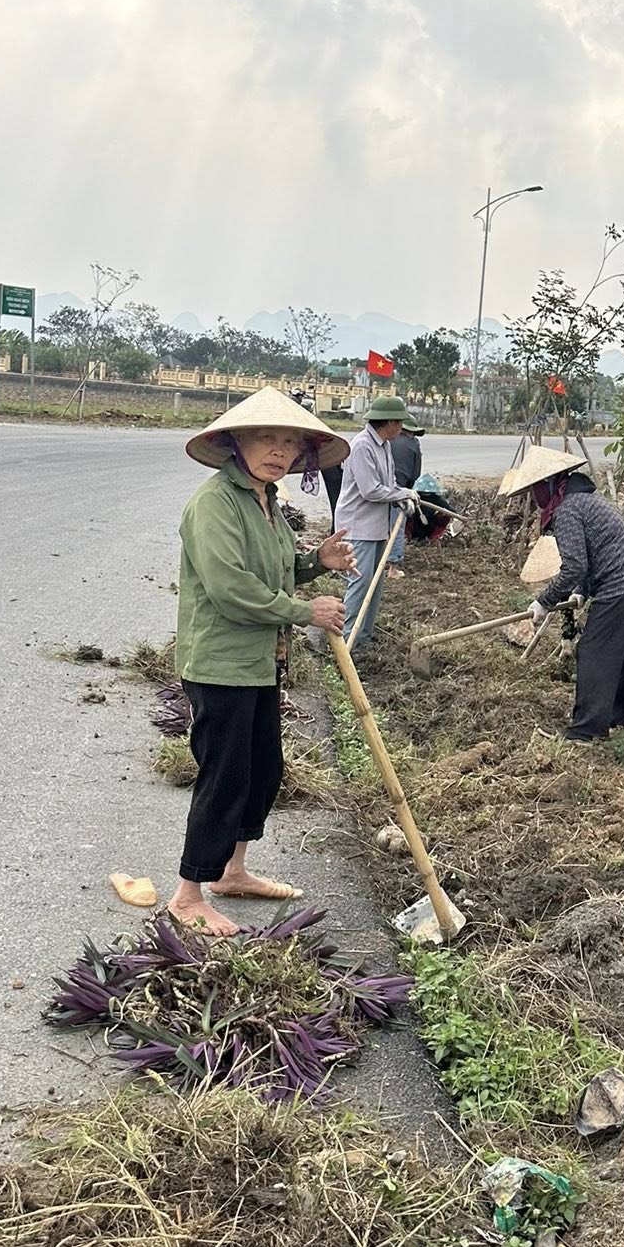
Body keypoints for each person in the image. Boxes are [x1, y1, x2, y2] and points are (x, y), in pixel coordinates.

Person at [172, 388, 353, 934]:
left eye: (290, 443)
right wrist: (305, 611)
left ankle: (233, 871)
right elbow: (231, 589)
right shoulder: (215, 503)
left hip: (259, 660)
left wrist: (313, 563)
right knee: (224, 775)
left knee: (263, 770)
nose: (278, 451)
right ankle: (187, 894)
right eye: (266, 438)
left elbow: (272, 573)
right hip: (220, 662)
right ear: (236, 442)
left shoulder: (266, 502)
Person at [499, 446, 624, 742]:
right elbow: (592, 552)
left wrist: (544, 601)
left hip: (620, 581)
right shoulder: (584, 498)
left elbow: (574, 566)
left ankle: (587, 729)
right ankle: (622, 716)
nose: (534, 497)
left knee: (594, 650)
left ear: (548, 485)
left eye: (535, 489)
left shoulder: (568, 509)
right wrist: (582, 591)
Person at [334, 392, 420, 653]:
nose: (402, 428)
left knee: (375, 583)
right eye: (400, 423)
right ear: (390, 423)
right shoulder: (362, 445)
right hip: (358, 525)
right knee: (360, 583)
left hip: (377, 526)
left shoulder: (383, 445)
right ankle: (347, 641)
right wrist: (402, 493)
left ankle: (365, 637)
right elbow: (370, 490)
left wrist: (399, 496)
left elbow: (388, 483)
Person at [387, 418, 426, 577]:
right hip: (399, 491)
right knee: (396, 528)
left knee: (379, 527)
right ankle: (393, 568)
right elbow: (415, 474)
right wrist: (407, 492)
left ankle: (377, 561)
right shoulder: (413, 444)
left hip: (379, 490)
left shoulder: (386, 441)